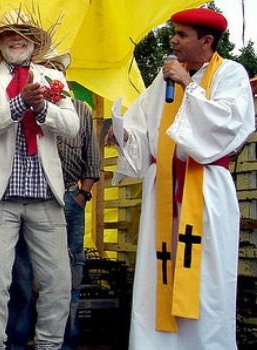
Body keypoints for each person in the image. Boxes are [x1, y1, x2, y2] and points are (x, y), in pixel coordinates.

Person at [106, 8, 255, 349]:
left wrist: (189, 86)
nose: (173, 40)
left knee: (206, 278)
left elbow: (228, 125)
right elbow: (143, 123)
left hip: (205, 190)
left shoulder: (230, 74)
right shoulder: (164, 79)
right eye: (173, 32)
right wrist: (126, 135)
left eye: (182, 34)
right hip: (164, 188)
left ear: (206, 41)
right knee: (157, 272)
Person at [0, 9, 79, 349]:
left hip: (45, 195)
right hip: (0, 197)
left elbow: (72, 127)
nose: (17, 38)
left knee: (58, 281)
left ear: (34, 41)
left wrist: (42, 109)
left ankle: (49, 345)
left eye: (24, 33)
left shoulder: (52, 77)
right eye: (10, 33)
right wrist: (19, 104)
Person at [6, 50, 101, 350]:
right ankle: (18, 340)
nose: (54, 73)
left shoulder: (81, 110)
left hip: (70, 199)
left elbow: (93, 160)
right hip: (34, 196)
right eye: (49, 67)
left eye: (59, 69)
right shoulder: (24, 104)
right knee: (21, 273)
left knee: (70, 273)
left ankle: (65, 341)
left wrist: (82, 195)